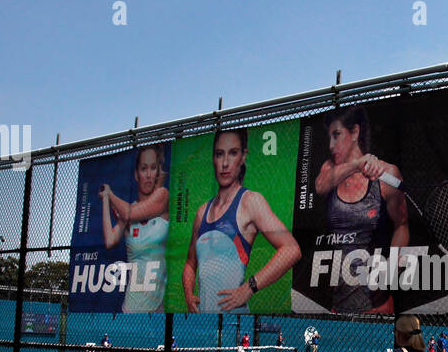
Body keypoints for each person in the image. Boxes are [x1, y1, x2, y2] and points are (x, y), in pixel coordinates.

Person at [183, 129, 301, 314]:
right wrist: (189, 295)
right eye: (219, 154)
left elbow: (291, 250)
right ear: (213, 158)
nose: (225, 163)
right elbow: (190, 264)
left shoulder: (250, 202)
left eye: (233, 153)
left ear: (243, 156)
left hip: (235, 322)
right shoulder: (201, 213)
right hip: (204, 323)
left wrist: (250, 287)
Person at [313, 106, 407, 315]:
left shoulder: (388, 174)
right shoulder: (330, 169)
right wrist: (357, 164)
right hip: (338, 306)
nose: (331, 145)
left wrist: (389, 269)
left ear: (354, 132)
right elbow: (320, 187)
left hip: (377, 306)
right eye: (329, 137)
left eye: (337, 135)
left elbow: (402, 226)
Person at [100, 145, 169, 313]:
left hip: (159, 309)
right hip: (130, 309)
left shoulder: (163, 197)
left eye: (153, 168)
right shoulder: (127, 210)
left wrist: (110, 194)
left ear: (158, 173)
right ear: (136, 174)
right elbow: (110, 240)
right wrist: (105, 202)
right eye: (143, 168)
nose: (148, 174)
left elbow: (129, 213)